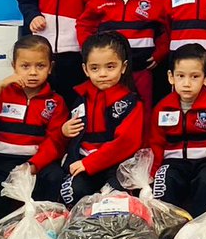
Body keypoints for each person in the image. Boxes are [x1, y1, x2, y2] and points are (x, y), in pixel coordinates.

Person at [0, 35, 68, 227]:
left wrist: (33, 166)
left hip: (34, 163)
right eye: (25, 66)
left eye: (40, 66)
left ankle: (42, 226)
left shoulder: (55, 102)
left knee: (54, 176)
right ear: (14, 66)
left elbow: (56, 141)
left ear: (50, 67)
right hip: (0, 161)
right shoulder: (3, 93)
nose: (33, 72)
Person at [76, 0, 169, 116]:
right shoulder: (100, 2)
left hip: (141, 70)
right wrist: (90, 51)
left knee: (142, 110)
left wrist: (159, 54)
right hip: (109, 73)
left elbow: (167, 30)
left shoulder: (156, 3)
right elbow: (84, 25)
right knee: (109, 111)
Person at [57, 32, 146, 207]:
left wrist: (90, 163)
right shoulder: (80, 98)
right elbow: (69, 139)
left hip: (117, 167)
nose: (103, 74)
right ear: (85, 70)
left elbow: (126, 142)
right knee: (73, 192)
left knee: (116, 200)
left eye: (110, 67)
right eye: (95, 68)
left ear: (123, 67)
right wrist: (64, 131)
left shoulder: (130, 102)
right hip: (81, 163)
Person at [149, 45, 206, 218]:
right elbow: (155, 144)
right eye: (180, 76)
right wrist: (150, 176)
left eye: (195, 76)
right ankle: (168, 229)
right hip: (173, 162)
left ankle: (202, 227)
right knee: (164, 182)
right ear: (171, 77)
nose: (187, 83)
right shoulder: (162, 108)